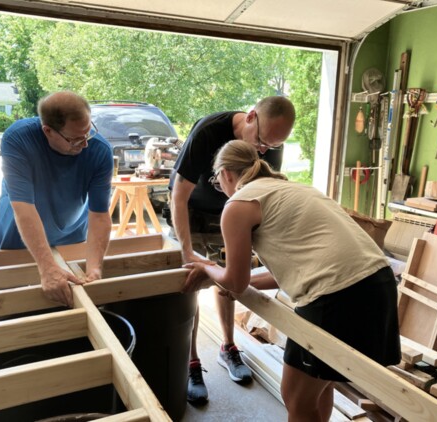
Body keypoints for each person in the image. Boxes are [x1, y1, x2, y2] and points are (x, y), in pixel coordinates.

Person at [184, 140, 401, 421]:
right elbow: (284, 272)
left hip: (337, 295)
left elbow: (235, 282)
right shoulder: (295, 189)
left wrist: (209, 270)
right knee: (320, 383)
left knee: (296, 397)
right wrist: (230, 282)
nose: (220, 188)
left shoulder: (238, 204)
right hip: (379, 285)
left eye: (216, 182)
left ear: (225, 174)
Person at [168, 96, 295, 404]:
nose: (263, 151)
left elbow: (261, 199)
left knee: (228, 278)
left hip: (233, 213)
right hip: (193, 211)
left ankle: (228, 347)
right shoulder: (209, 132)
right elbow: (179, 196)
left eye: (272, 147)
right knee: (192, 282)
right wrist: (186, 251)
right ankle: (191, 362)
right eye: (262, 142)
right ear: (251, 117)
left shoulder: (269, 148)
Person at [0, 91, 114, 308]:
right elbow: (24, 209)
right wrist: (47, 268)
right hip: (18, 237)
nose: (85, 144)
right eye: (75, 139)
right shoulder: (18, 139)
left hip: (70, 234)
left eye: (88, 133)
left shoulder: (100, 150)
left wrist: (94, 267)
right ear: (48, 131)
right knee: (14, 305)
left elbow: (99, 215)